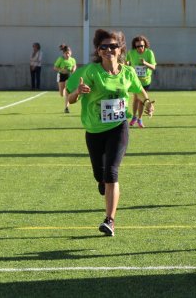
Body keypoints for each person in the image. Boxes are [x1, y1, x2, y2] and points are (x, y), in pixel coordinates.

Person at [67, 29, 155, 237]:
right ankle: (102, 182)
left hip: (118, 127)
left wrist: (148, 103)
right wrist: (77, 93)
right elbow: (70, 99)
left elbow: (140, 92)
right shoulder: (90, 72)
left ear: (121, 49)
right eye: (104, 47)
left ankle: (110, 220)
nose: (109, 50)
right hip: (94, 130)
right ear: (98, 51)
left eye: (113, 46)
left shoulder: (128, 72)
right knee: (101, 174)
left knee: (112, 172)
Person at [126, 35, 157, 128]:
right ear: (135, 47)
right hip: (135, 81)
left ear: (145, 45)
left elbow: (153, 67)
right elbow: (126, 62)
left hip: (145, 81)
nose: (140, 48)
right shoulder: (131, 53)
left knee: (141, 100)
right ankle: (134, 117)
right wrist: (126, 64)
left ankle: (139, 118)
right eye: (137, 46)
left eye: (142, 46)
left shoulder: (149, 53)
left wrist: (145, 63)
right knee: (135, 98)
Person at [53, 45, 77, 113]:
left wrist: (73, 69)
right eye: (66, 53)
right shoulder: (60, 59)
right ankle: (62, 92)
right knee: (61, 93)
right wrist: (61, 70)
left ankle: (66, 107)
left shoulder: (72, 60)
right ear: (63, 53)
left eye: (68, 53)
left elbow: (74, 66)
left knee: (67, 92)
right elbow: (55, 67)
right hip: (61, 76)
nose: (67, 55)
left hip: (69, 76)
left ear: (71, 53)